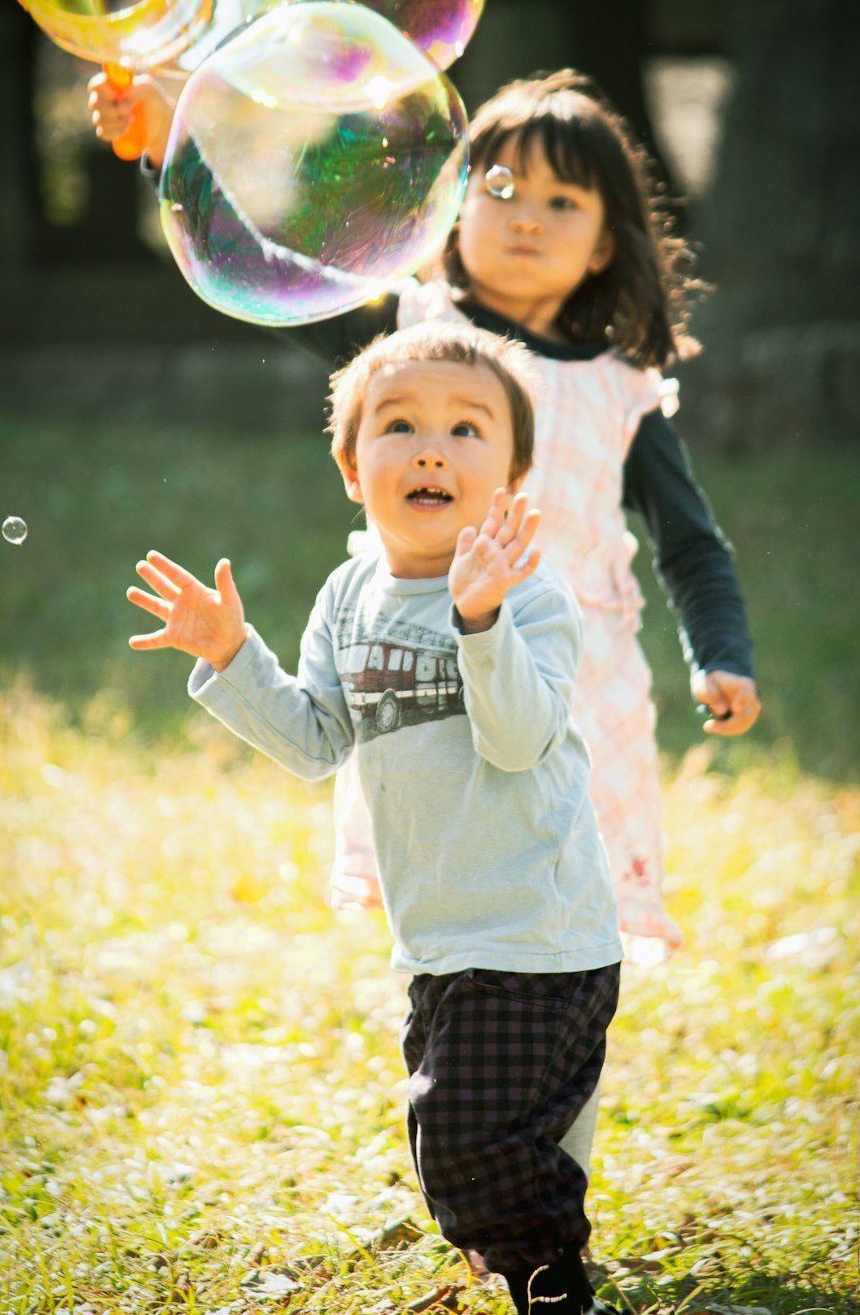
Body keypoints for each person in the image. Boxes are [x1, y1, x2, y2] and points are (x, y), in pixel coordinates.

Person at [126, 321, 625, 1315]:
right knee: (466, 1146)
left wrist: (478, 621)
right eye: (399, 425)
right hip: (438, 944)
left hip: (538, 935)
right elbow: (315, 740)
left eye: (466, 429)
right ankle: (540, 1241)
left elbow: (521, 739)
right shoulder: (348, 593)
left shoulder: (528, 594)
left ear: (512, 477)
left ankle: (554, 1280)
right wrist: (233, 657)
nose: (432, 447)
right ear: (353, 468)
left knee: (458, 1142)